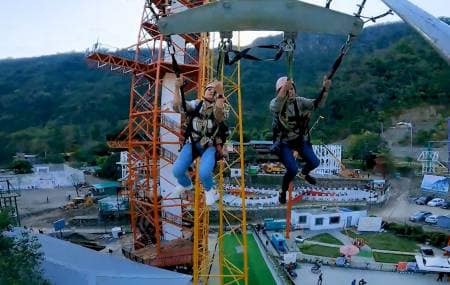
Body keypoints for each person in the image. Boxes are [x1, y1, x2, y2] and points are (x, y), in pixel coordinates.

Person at [270, 76, 331, 204]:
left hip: (298, 139)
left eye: (292, 89)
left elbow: (317, 104)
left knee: (315, 162)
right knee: (292, 169)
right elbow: (275, 107)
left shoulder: (300, 102)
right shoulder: (276, 104)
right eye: (287, 90)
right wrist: (283, 91)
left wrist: (324, 90)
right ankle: (283, 191)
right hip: (284, 141)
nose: (290, 92)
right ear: (280, 92)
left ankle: (304, 173)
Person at [172, 77, 226, 205]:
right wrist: (177, 88)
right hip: (192, 143)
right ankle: (185, 184)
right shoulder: (196, 104)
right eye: (209, 89)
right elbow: (177, 107)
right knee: (177, 170)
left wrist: (220, 94)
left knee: (204, 172)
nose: (211, 91)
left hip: (209, 145)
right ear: (204, 91)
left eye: (214, 90)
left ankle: (209, 191)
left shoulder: (221, 107)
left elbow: (219, 115)